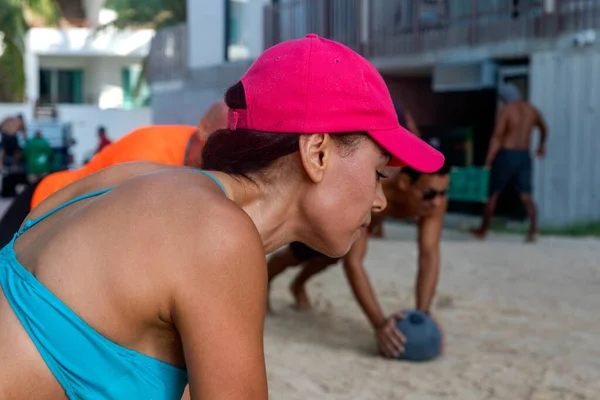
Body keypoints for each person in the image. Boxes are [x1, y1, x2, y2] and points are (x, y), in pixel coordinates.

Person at [0, 34, 444, 399]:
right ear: (318, 152)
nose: (381, 200)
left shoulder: (132, 178)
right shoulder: (219, 238)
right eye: (378, 173)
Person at [267, 162, 450, 358]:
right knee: (300, 254)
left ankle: (298, 285)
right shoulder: (371, 190)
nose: (437, 201)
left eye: (444, 192)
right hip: (338, 206)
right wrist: (380, 325)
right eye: (430, 193)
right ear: (404, 182)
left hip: (367, 222)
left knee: (331, 258)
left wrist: (421, 315)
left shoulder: (433, 203)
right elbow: (354, 264)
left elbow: (429, 255)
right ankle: (264, 279)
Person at [0, 101, 228, 249]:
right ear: (204, 127)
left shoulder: (196, 154)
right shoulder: (148, 159)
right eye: (226, 138)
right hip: (44, 203)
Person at [470, 83, 548, 242]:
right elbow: (544, 127)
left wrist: (488, 160)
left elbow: (498, 136)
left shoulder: (506, 110)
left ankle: (482, 231)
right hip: (524, 155)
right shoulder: (531, 109)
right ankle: (534, 231)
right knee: (525, 195)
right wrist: (541, 146)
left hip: (506, 154)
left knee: (493, 194)